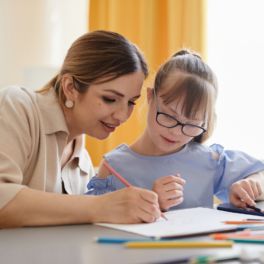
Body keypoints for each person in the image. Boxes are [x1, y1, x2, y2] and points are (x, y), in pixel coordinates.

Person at [0, 30, 162, 228]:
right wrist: (101, 207)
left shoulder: (83, 164)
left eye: (131, 102)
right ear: (70, 87)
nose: (122, 116)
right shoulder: (16, 106)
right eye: (110, 99)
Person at [86, 49, 264, 212]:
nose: (177, 132)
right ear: (150, 97)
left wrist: (250, 186)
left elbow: (259, 176)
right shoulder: (113, 167)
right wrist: (151, 204)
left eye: (192, 124)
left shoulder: (209, 160)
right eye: (169, 116)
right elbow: (97, 222)